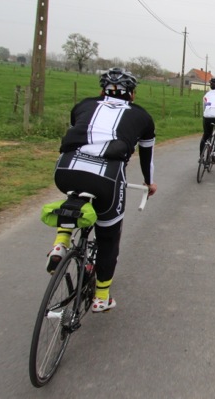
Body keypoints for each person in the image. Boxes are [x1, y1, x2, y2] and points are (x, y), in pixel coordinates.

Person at [47, 67, 157, 313]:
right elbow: (146, 157)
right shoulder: (142, 117)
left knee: (75, 195)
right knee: (108, 236)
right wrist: (150, 183)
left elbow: (79, 130)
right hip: (107, 177)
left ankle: (61, 242)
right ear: (133, 94)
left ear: (101, 90)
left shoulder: (83, 105)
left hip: (65, 169)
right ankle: (101, 296)